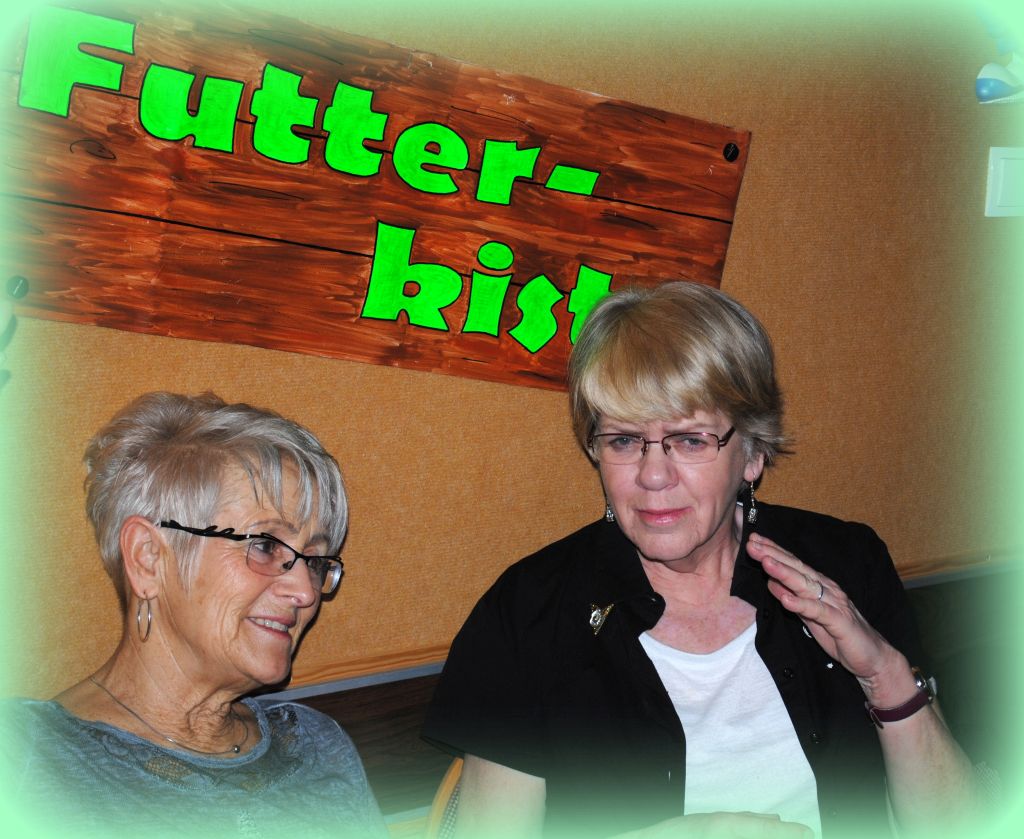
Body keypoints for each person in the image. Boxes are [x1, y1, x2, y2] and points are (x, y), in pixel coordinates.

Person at [423, 282, 989, 839]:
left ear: (753, 453)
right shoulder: (527, 613)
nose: (653, 475)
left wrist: (885, 677)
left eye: (691, 440)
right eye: (624, 440)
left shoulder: (846, 563)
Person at [1, 392, 388, 838]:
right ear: (149, 558)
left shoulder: (316, 744)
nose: (304, 591)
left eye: (315, 561)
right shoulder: (26, 762)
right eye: (265, 545)